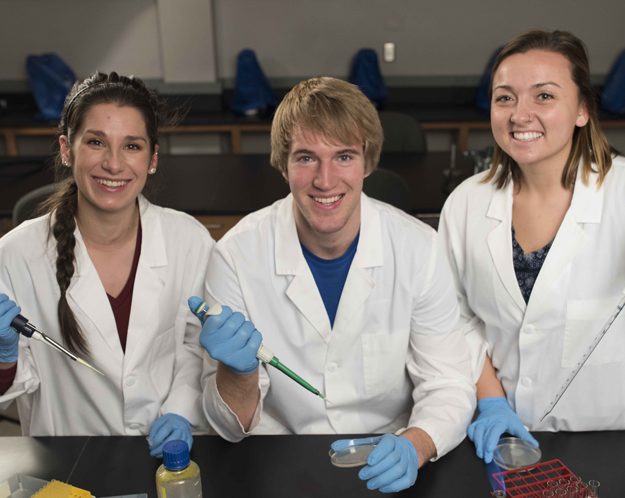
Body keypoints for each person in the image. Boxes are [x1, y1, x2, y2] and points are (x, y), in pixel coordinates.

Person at [439, 29, 625, 463]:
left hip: (610, 441)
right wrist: (492, 401)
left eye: (544, 96)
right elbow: (454, 316)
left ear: (582, 110)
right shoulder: (467, 201)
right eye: (505, 98)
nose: (520, 114)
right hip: (503, 436)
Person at [196, 77, 476, 493]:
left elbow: (449, 383)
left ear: (368, 161)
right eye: (306, 158)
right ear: (283, 165)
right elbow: (227, 426)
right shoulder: (236, 257)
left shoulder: (420, 249)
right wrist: (238, 374)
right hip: (279, 461)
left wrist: (416, 444)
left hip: (387, 454)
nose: (325, 180)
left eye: (344, 156)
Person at [0, 72, 213, 456]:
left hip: (170, 455)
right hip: (66, 462)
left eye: (132, 146)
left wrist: (180, 410)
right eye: (95, 142)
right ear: (66, 149)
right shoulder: (12, 259)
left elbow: (197, 346)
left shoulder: (189, 241)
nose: (113, 163)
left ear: (152, 159)